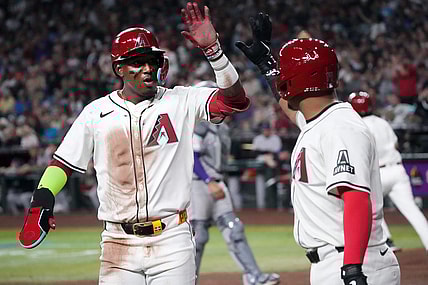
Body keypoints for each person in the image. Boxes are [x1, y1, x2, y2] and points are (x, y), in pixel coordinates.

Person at [18, 2, 250, 284]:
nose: (147, 69)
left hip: (172, 240)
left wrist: (214, 52)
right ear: (119, 69)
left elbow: (235, 101)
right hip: (118, 243)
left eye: (152, 61)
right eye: (137, 62)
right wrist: (42, 198)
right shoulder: (96, 112)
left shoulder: (182, 100)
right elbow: (63, 163)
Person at [236, 13, 400, 285]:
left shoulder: (340, 127)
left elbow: (356, 198)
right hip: (336, 261)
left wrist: (352, 269)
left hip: (353, 261)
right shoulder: (322, 120)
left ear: (296, 82)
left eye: (286, 75)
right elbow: (291, 110)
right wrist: (267, 65)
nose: (282, 81)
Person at [190, 80, 280, 285]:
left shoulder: (220, 127)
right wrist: (208, 180)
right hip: (198, 183)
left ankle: (254, 276)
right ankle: (188, 280)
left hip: (216, 181)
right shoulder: (198, 126)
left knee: (234, 229)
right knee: (198, 236)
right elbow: (192, 158)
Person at [349, 91, 428, 253]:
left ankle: (387, 240)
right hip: (397, 170)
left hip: (378, 173)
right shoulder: (382, 122)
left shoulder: (357, 126)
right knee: (412, 211)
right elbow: (396, 144)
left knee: (369, 209)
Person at [252, 122, 282, 209]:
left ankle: (272, 206)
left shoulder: (275, 138)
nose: (266, 131)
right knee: (260, 187)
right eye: (265, 130)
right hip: (260, 164)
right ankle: (261, 207)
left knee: (270, 186)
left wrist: (265, 152)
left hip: (272, 164)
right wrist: (266, 153)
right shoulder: (258, 138)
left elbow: (276, 152)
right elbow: (255, 152)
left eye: (267, 130)